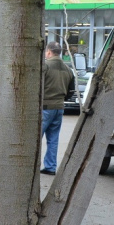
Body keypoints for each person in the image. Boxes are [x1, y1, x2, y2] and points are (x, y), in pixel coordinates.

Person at [40, 41, 74, 175]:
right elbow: (71, 91)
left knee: (36, 139)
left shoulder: (45, 66)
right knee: (53, 139)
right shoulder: (68, 69)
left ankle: (32, 168)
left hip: (45, 107)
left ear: (48, 52)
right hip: (59, 107)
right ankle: (50, 167)